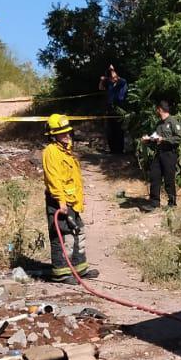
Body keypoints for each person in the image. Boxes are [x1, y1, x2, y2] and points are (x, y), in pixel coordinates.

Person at [40, 113, 100, 284]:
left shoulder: (66, 151)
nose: (67, 135)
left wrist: (79, 200)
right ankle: (61, 273)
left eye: (68, 132)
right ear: (53, 134)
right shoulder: (51, 152)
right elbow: (54, 179)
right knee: (62, 235)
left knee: (78, 232)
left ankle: (79, 268)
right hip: (59, 201)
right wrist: (61, 201)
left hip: (72, 201)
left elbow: (73, 178)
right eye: (62, 133)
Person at [140, 99, 181, 209]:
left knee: (169, 179)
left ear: (160, 109)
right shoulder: (159, 124)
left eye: (157, 109)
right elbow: (156, 138)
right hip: (159, 154)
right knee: (154, 176)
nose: (156, 111)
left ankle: (172, 203)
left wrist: (164, 139)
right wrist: (148, 140)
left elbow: (179, 138)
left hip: (169, 154)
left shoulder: (173, 122)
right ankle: (154, 203)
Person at [99, 65, 130, 154]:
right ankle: (112, 150)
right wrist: (102, 80)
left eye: (114, 76)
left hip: (120, 109)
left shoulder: (122, 82)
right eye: (111, 76)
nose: (112, 78)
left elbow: (121, 80)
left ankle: (119, 150)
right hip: (110, 109)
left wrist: (112, 70)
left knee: (119, 131)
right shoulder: (109, 83)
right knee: (110, 131)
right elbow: (101, 88)